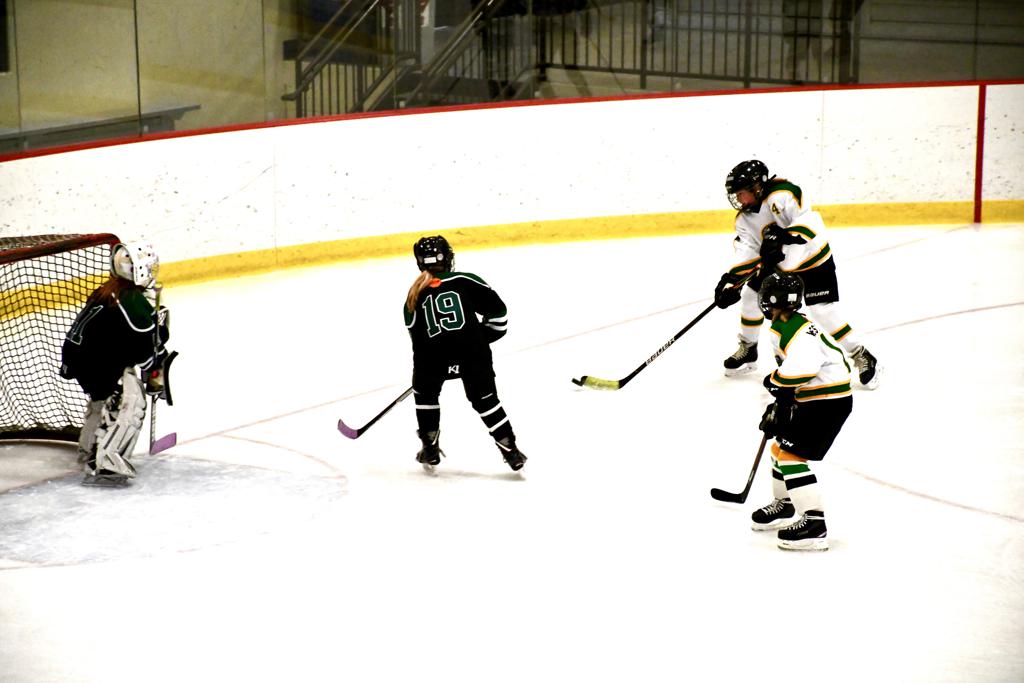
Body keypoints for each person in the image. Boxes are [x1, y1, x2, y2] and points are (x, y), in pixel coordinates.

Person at [713, 159, 880, 389]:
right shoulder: (744, 219)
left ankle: (861, 354)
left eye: (742, 194)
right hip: (780, 267)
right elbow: (748, 251)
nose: (739, 200)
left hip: (813, 261)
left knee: (823, 312)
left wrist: (782, 238)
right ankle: (749, 348)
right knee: (750, 297)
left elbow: (808, 222)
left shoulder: (784, 194)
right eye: (736, 195)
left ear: (757, 187)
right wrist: (731, 281)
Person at [404, 235, 526, 472]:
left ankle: (429, 448)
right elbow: (499, 318)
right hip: (473, 354)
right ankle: (511, 450)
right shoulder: (465, 280)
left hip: (433, 360)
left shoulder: (413, 295)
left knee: (425, 394)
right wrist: (477, 339)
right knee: (485, 400)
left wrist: (427, 373)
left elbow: (418, 343)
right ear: (447, 258)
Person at [752, 272, 852, 551]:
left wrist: (776, 383)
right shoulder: (787, 324)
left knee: (792, 457)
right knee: (779, 450)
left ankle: (814, 525)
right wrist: (782, 397)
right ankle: (785, 504)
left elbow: (803, 369)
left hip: (827, 403)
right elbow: (795, 372)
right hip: (814, 398)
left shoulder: (796, 331)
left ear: (770, 300)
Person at [60, 241, 170, 486]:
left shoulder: (108, 290)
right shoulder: (131, 300)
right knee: (131, 402)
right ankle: (107, 461)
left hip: (81, 356)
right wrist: (156, 365)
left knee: (102, 399)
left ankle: (88, 450)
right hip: (98, 360)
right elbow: (143, 346)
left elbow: (123, 337)